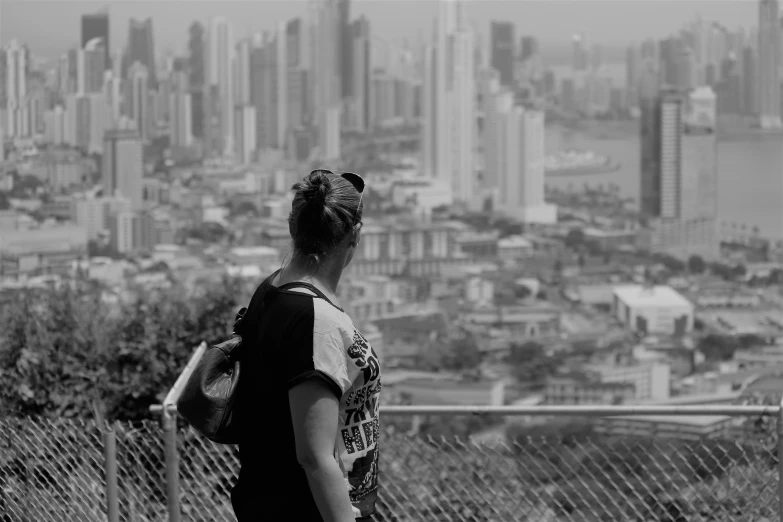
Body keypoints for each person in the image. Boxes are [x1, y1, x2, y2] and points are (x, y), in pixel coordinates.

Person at [231, 169, 381, 522]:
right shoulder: (315, 320)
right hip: (305, 510)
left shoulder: (272, 291)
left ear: (291, 226)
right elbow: (314, 457)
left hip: (267, 500)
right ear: (356, 234)